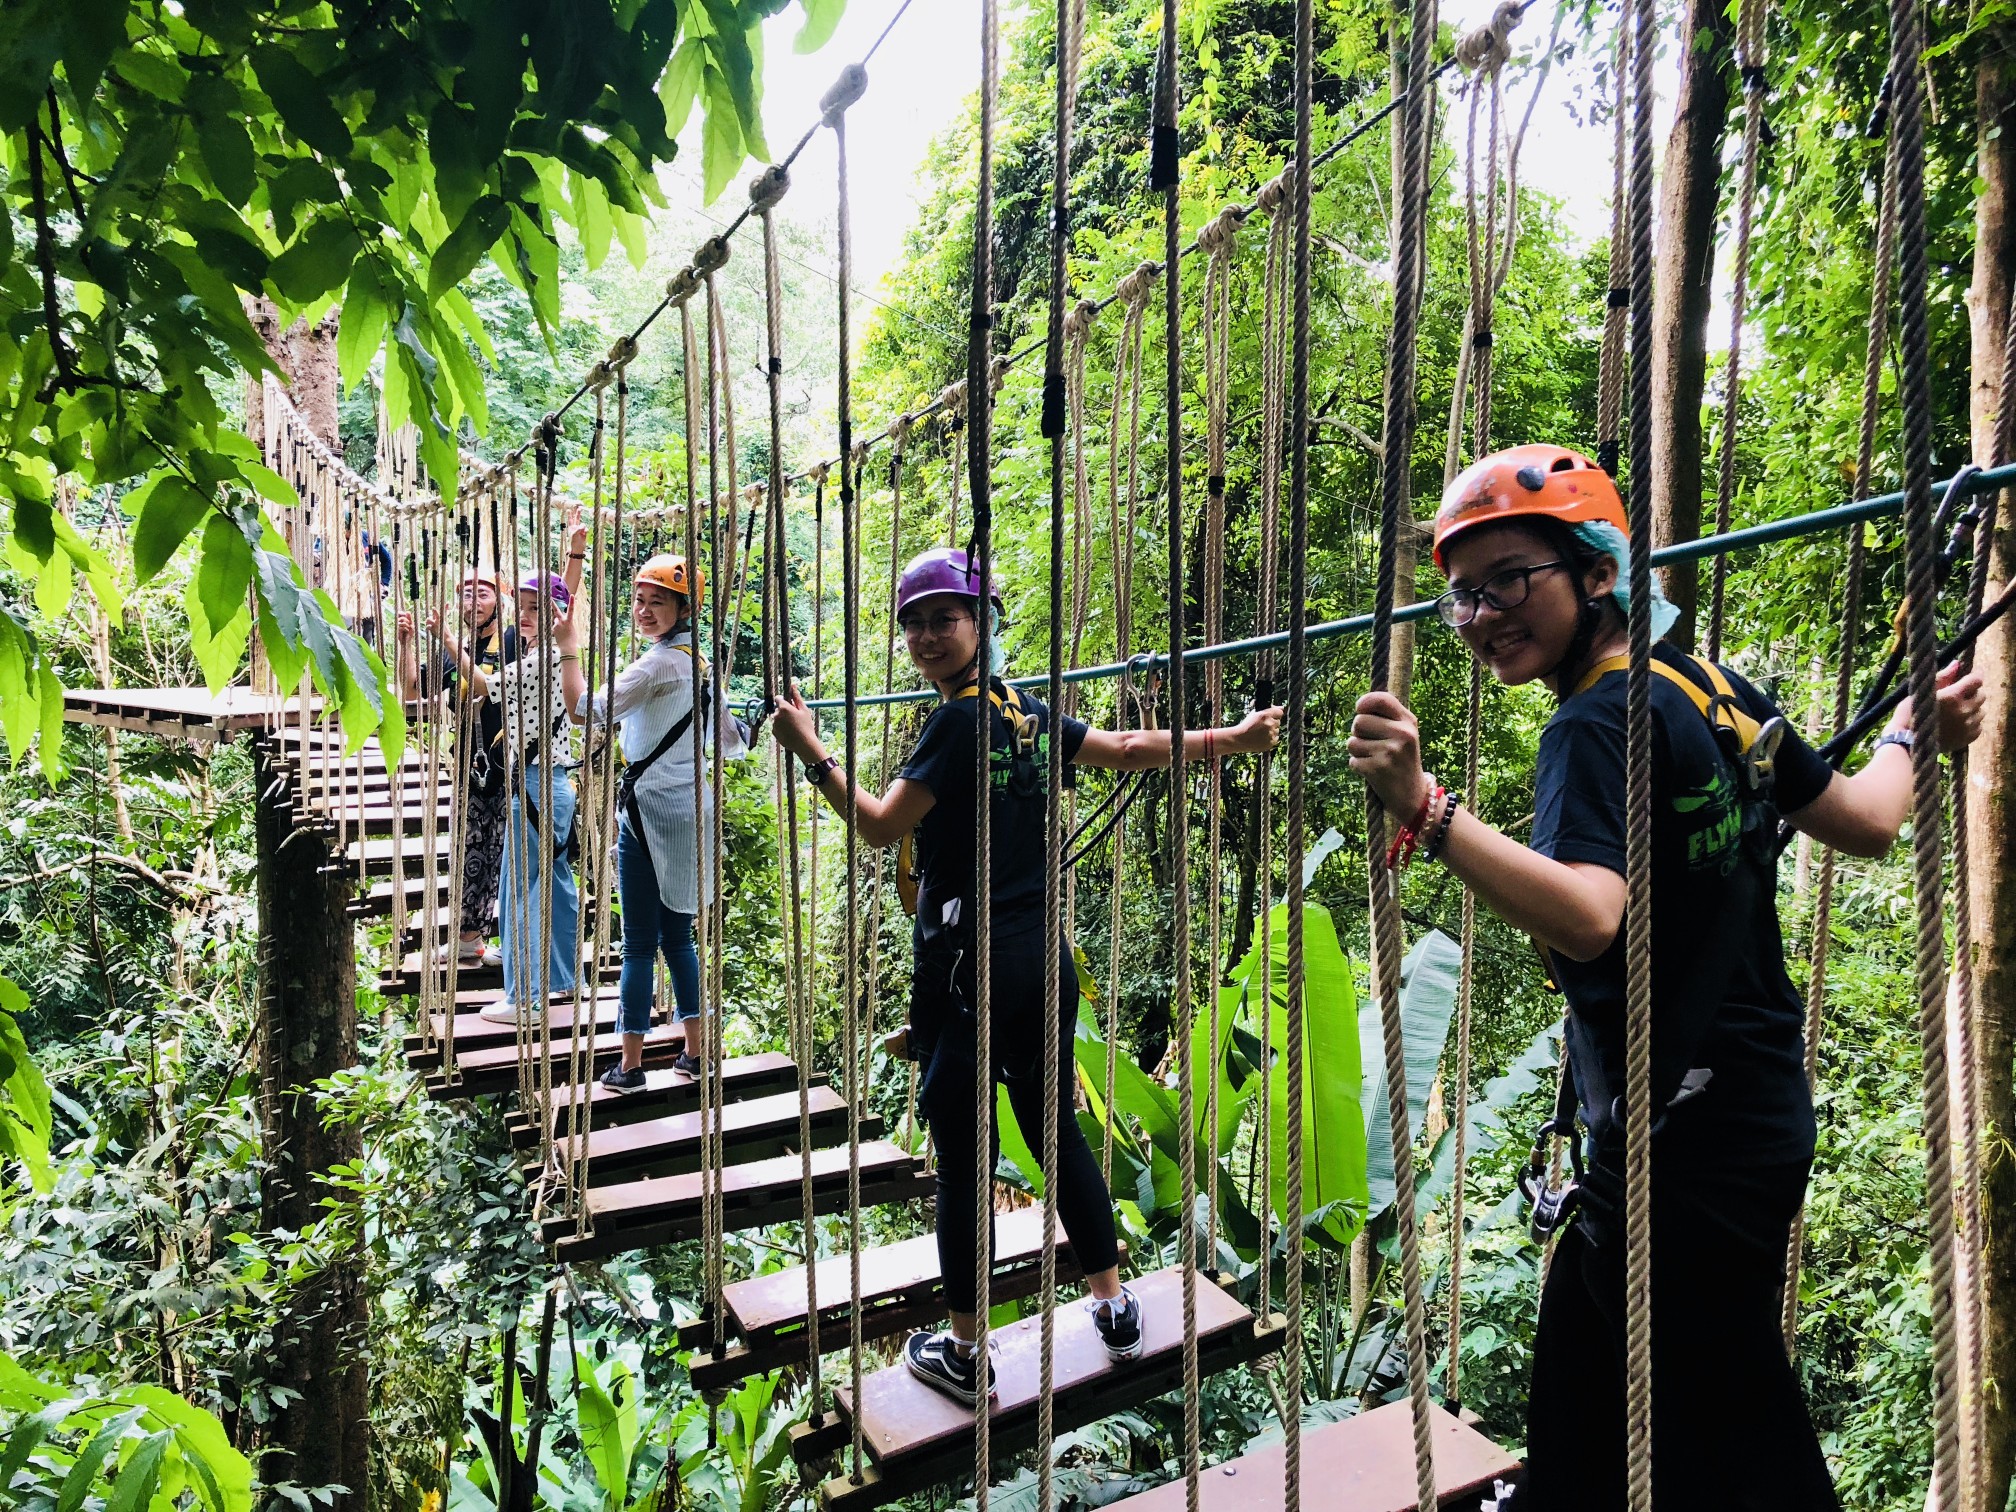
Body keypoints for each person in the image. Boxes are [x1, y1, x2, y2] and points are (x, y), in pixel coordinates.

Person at [1344, 444, 1986, 1511]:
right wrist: (1917, 730)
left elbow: (1594, 920)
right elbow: (1868, 822)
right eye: (1464, 596)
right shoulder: (1706, 683)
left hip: (1684, 1153)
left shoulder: (1595, 725)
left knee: (1734, 1437)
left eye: (1512, 578)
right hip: (1739, 1121)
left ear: (1597, 572)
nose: (1485, 614)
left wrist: (1426, 809)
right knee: (1589, 1400)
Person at [770, 545, 1283, 1405]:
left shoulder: (956, 723)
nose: (928, 636)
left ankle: (966, 1356)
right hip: (1045, 959)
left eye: (946, 618)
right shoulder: (1021, 711)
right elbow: (1121, 748)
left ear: (982, 624)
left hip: (974, 967)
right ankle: (1113, 1308)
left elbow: (875, 825)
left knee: (963, 1156)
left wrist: (809, 749)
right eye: (916, 624)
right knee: (1055, 1131)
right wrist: (1228, 738)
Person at [557, 553, 746, 1089]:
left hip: (647, 816)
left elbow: (582, 710)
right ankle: (696, 1054)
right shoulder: (699, 665)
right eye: (639, 601)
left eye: (656, 602)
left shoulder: (657, 665)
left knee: (638, 943)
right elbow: (729, 742)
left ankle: (632, 1066)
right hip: (691, 809)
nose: (643, 611)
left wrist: (569, 651)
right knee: (678, 937)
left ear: (683, 608)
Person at [487, 571, 582, 1023]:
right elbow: (561, 596)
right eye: (521, 608)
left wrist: (445, 638)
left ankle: (525, 997)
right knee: (552, 881)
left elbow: (482, 684)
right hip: (553, 784)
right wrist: (575, 556)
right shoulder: (557, 656)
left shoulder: (539, 660)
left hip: (534, 783)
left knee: (521, 888)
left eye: (536, 610)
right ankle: (564, 979)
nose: (524, 617)